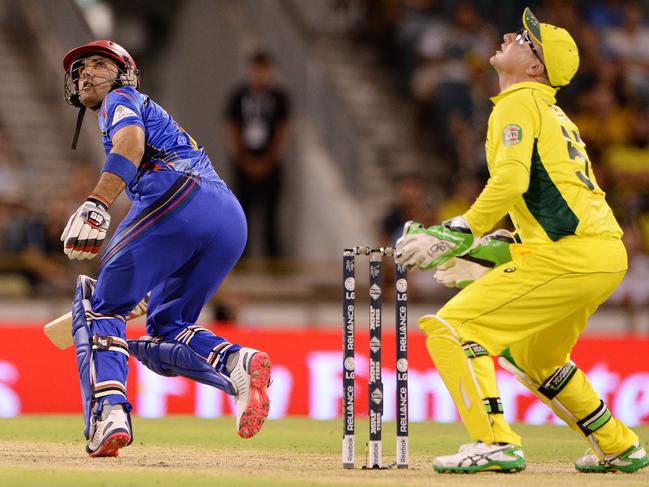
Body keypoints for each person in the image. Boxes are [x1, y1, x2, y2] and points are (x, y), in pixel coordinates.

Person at [395, 8, 648, 474]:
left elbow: (510, 182)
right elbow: (544, 212)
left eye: (525, 39)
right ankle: (618, 444)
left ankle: (494, 442)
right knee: (536, 357)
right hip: (598, 253)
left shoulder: (518, 102)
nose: (511, 34)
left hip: (573, 254)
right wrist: (482, 249)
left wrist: (460, 230)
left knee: (455, 329)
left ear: (536, 67)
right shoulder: (543, 108)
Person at [61, 40, 272, 457]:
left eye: (100, 65)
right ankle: (235, 363)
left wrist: (97, 202)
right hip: (227, 216)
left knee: (99, 306)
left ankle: (109, 414)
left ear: (125, 74)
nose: (86, 73)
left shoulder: (119, 99)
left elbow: (131, 146)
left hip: (177, 198)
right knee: (166, 329)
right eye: (81, 68)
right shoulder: (135, 102)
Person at [224, 50, 291, 258]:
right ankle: (241, 261)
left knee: (270, 218)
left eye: (263, 71)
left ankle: (274, 265)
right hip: (244, 163)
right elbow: (231, 129)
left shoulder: (278, 97)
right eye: (256, 70)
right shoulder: (239, 96)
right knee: (243, 216)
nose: (259, 75)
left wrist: (268, 161)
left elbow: (283, 131)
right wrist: (244, 160)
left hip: (269, 163)